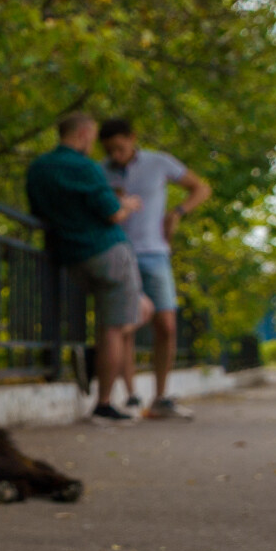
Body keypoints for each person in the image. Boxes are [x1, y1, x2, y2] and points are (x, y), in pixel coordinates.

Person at [25, 111, 148, 423]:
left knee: (138, 311)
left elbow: (39, 211)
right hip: (108, 252)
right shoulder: (85, 167)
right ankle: (103, 403)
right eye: (92, 139)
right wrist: (128, 206)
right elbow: (111, 214)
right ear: (82, 134)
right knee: (114, 328)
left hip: (70, 256)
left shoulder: (38, 169)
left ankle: (96, 357)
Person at [99, 117, 211, 419]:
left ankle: (161, 397)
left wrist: (178, 212)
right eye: (110, 151)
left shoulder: (159, 162)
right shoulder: (101, 172)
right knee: (125, 324)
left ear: (132, 138)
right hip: (120, 253)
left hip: (155, 253)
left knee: (166, 324)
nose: (116, 155)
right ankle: (131, 395)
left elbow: (201, 188)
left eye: (120, 148)